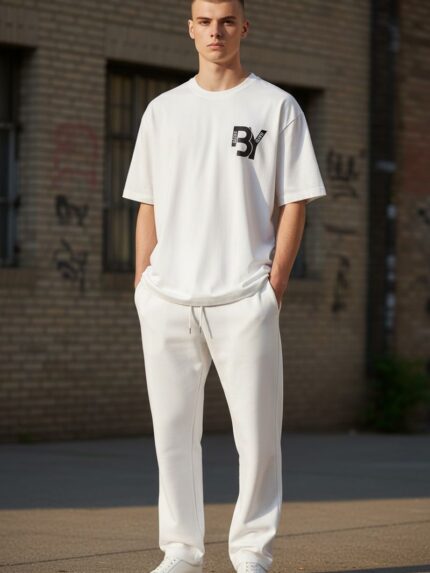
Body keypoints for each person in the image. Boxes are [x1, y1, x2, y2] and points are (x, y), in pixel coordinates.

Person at [122, 0, 327, 571]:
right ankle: (181, 552)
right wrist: (143, 284)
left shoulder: (276, 106)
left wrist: (274, 285)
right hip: (167, 299)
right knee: (172, 437)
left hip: (244, 298)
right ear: (190, 29)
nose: (216, 31)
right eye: (206, 22)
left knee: (257, 439)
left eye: (227, 21)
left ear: (243, 28)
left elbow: (295, 201)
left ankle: (252, 553)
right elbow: (147, 203)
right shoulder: (163, 111)